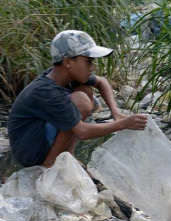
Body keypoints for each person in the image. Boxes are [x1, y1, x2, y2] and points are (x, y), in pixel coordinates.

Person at [8, 30, 148, 168]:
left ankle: (69, 156)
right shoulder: (46, 91)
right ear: (68, 62)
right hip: (29, 150)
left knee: (84, 89)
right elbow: (83, 132)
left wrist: (115, 112)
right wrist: (124, 124)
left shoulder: (63, 76)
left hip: (40, 135)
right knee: (80, 100)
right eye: (88, 62)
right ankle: (50, 163)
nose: (92, 67)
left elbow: (101, 82)